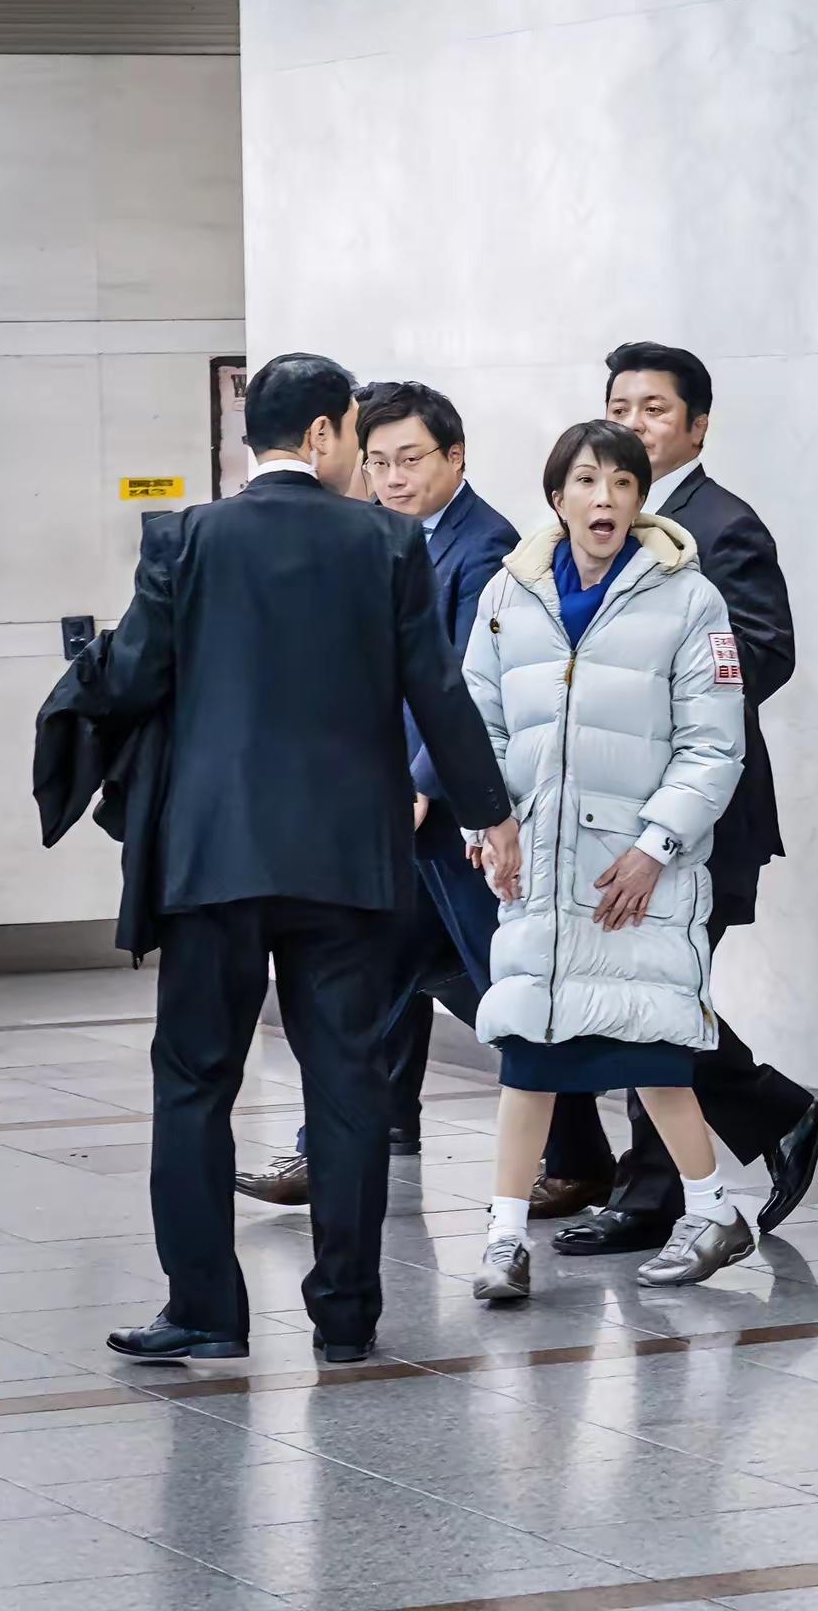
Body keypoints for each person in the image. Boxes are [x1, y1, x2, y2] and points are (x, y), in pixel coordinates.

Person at [71, 353, 517, 1364]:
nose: (361, 454)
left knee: (195, 1081)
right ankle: (346, 1318)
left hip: (212, 860)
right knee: (348, 1083)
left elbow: (131, 677)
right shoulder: (387, 543)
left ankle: (204, 1312)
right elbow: (438, 691)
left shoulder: (184, 539)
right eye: (355, 433)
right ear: (322, 435)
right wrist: (491, 815)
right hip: (347, 864)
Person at [553, 345, 818, 1259]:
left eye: (654, 409)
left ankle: (652, 1196)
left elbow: (765, 651)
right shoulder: (596, 527)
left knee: (653, 995)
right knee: (644, 992)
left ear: (698, 427)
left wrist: (654, 675)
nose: (633, 424)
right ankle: (778, 1116)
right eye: (619, 407)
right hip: (611, 812)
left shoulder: (723, 525)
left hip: (703, 816)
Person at [464, 420, 754, 1301]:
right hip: (537, 867)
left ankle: (713, 1210)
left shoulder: (689, 600)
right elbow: (478, 719)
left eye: (623, 483)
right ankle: (504, 1238)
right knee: (529, 1048)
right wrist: (487, 826)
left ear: (640, 500)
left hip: (631, 872)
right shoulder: (509, 594)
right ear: (558, 497)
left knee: (651, 1048)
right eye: (587, 481)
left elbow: (714, 747)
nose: (605, 498)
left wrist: (655, 847)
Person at [235, 379, 521, 1206]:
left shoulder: (484, 546)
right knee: (375, 986)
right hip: (394, 812)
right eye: (379, 461)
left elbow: (464, 685)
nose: (393, 478)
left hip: (450, 815)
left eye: (411, 459)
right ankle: (343, 1139)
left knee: (506, 988)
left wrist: (423, 785)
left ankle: (579, 1152)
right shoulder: (383, 536)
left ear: (455, 456)